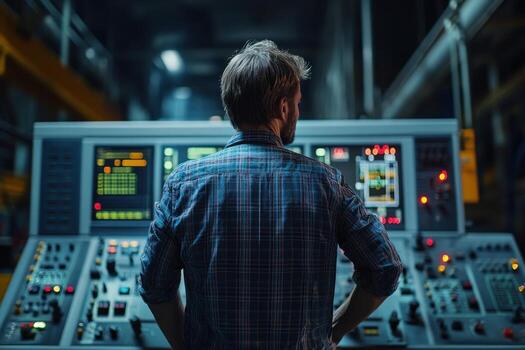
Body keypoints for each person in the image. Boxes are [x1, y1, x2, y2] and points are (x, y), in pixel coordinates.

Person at [139, 40, 402, 349]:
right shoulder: (326, 184)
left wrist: (185, 344)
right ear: (283, 107)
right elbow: (384, 267)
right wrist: (333, 331)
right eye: (298, 103)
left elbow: (154, 283)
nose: (297, 112)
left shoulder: (183, 184)